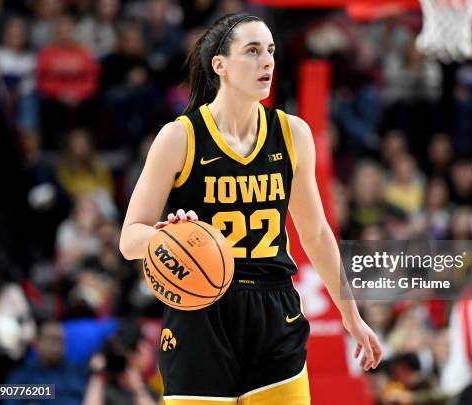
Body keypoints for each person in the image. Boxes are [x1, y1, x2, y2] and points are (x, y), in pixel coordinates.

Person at [119, 12, 382, 404]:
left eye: (271, 51)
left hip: (274, 310)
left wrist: (351, 316)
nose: (267, 62)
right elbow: (129, 239)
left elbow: (316, 234)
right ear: (220, 65)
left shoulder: (293, 133)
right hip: (199, 314)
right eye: (253, 51)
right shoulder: (179, 137)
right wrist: (167, 237)